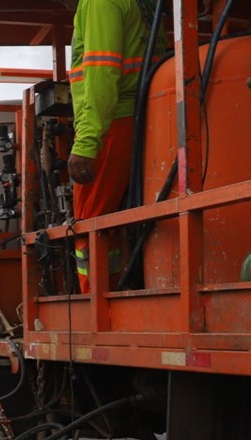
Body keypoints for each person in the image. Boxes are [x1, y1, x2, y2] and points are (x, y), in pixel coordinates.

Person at [60, 0, 157, 292]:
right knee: (115, 220)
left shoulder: (99, 2)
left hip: (110, 121)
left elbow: (101, 73)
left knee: (91, 225)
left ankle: (98, 301)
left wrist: (87, 141)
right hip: (138, 116)